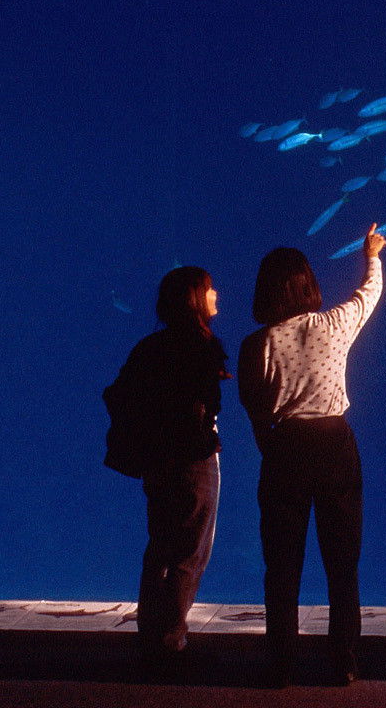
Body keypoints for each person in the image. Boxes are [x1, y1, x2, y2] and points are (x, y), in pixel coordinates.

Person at [239, 224, 384, 687]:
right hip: (335, 444)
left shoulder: (256, 345)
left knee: (281, 564)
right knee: (342, 563)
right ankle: (343, 660)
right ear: (308, 285)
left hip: (285, 448)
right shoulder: (333, 325)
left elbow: (254, 407)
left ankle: (281, 664)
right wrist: (371, 255)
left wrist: (271, 442)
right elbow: (368, 296)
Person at [103, 266, 228, 667]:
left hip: (157, 462)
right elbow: (207, 405)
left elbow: (115, 393)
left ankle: (149, 634)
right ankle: (169, 640)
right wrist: (193, 422)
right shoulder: (201, 346)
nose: (216, 294)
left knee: (160, 546)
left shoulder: (149, 347)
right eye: (209, 289)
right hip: (194, 460)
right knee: (191, 551)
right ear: (195, 298)